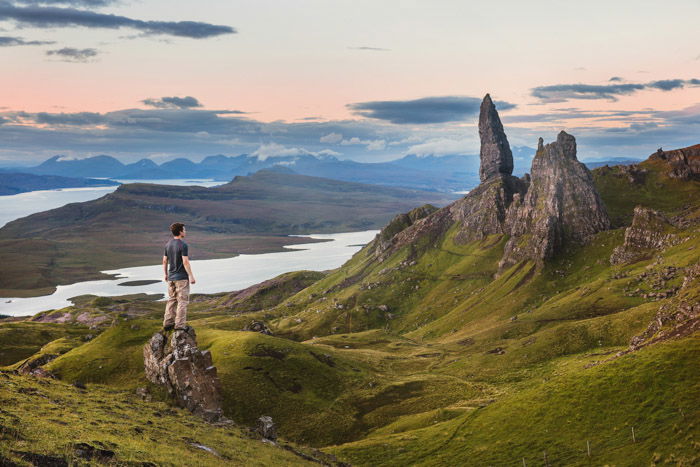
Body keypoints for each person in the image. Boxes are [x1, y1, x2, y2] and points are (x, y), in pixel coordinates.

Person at [162, 222, 196, 332]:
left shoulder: (168, 244)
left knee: (171, 299)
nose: (185, 232)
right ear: (180, 232)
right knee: (182, 301)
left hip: (171, 277)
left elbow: (164, 261)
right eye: (184, 230)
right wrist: (191, 276)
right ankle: (180, 325)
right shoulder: (183, 245)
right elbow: (185, 262)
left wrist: (165, 274)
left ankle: (168, 323)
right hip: (181, 278)